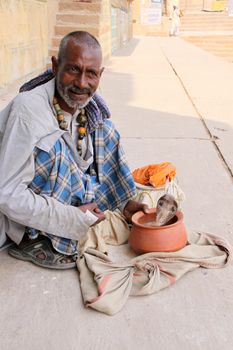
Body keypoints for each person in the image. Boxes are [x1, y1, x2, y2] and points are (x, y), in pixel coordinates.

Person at [0, 31, 148, 269]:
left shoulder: (86, 107)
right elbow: (6, 194)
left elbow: (87, 156)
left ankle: (122, 204)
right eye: (73, 70)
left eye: (91, 73)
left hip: (62, 190)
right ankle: (36, 239)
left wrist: (125, 203)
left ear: (100, 75)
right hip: (13, 216)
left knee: (105, 130)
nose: (81, 83)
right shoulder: (28, 112)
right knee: (56, 148)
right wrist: (73, 219)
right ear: (56, 65)